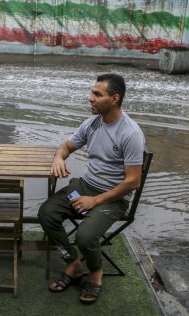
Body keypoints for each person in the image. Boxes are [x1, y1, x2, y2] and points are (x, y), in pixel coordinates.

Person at [38, 73, 145, 304]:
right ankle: (73, 264)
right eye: (91, 93)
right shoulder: (92, 123)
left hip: (112, 199)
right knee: (47, 214)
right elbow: (67, 145)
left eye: (97, 94)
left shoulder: (131, 133)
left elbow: (133, 181)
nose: (90, 98)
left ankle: (96, 273)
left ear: (114, 99)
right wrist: (58, 158)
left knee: (85, 236)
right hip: (84, 187)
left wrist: (94, 201)